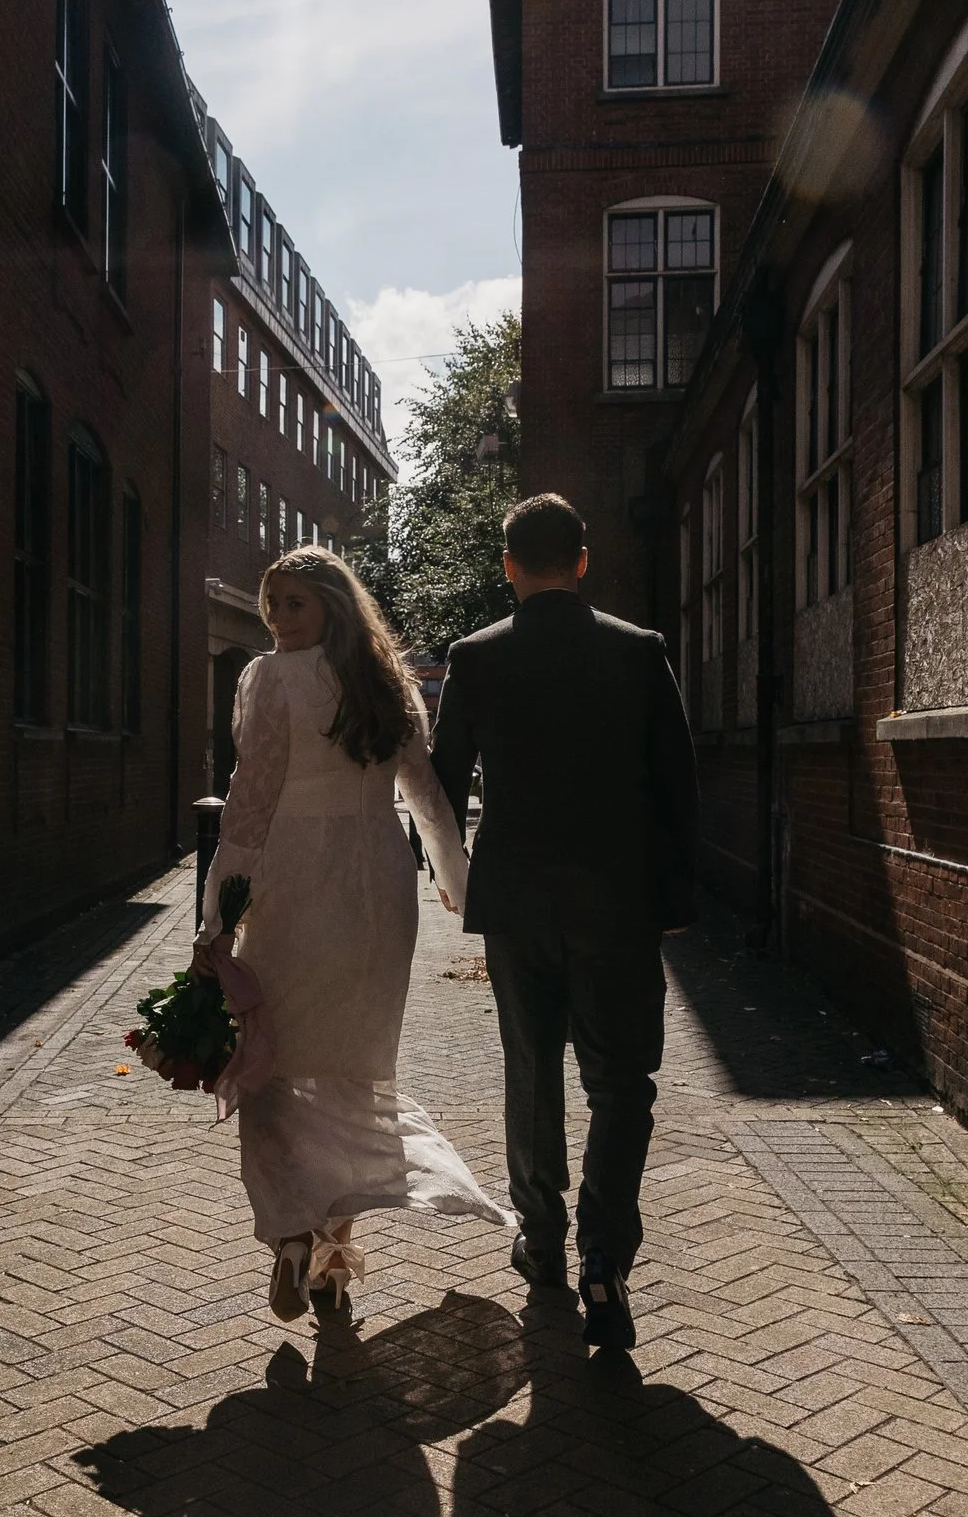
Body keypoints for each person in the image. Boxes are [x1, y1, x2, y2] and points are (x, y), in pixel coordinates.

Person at [195, 547, 507, 1320]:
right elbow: (426, 795)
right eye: (272, 606)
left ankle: (295, 1238)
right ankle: (330, 1253)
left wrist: (217, 914)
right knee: (345, 1073)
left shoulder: (272, 678)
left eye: (293, 603)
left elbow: (250, 803)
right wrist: (455, 884)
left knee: (272, 1059)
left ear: (332, 603)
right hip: (375, 884)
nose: (277, 620)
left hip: (300, 883)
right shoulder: (384, 679)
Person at [430, 493, 698, 1350]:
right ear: (583, 560)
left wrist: (452, 882)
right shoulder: (638, 651)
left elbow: (439, 788)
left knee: (532, 1070)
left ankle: (541, 1241)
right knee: (623, 1084)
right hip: (616, 902)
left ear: (507, 566)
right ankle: (605, 1261)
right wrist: (677, 905)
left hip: (514, 902)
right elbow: (677, 789)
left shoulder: (474, 659)